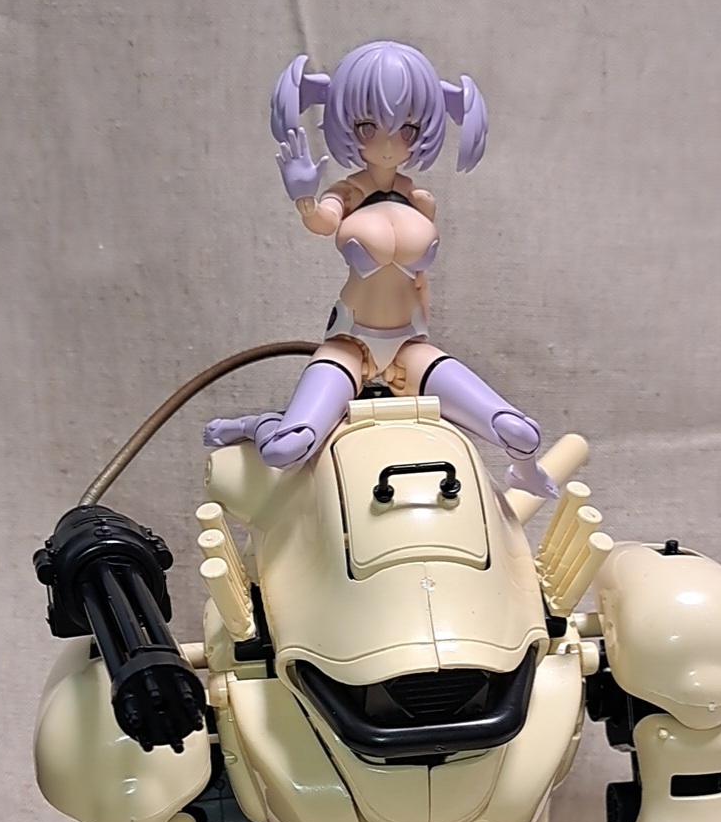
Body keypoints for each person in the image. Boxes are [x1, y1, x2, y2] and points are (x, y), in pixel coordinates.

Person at [205, 41, 553, 496]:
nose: (388, 145)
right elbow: (323, 222)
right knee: (286, 450)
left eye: (407, 129)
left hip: (409, 348)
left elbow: (421, 281)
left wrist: (423, 323)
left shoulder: (419, 199)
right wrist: (304, 197)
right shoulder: (347, 193)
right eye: (368, 126)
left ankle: (525, 475)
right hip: (350, 345)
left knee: (519, 432)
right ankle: (257, 425)